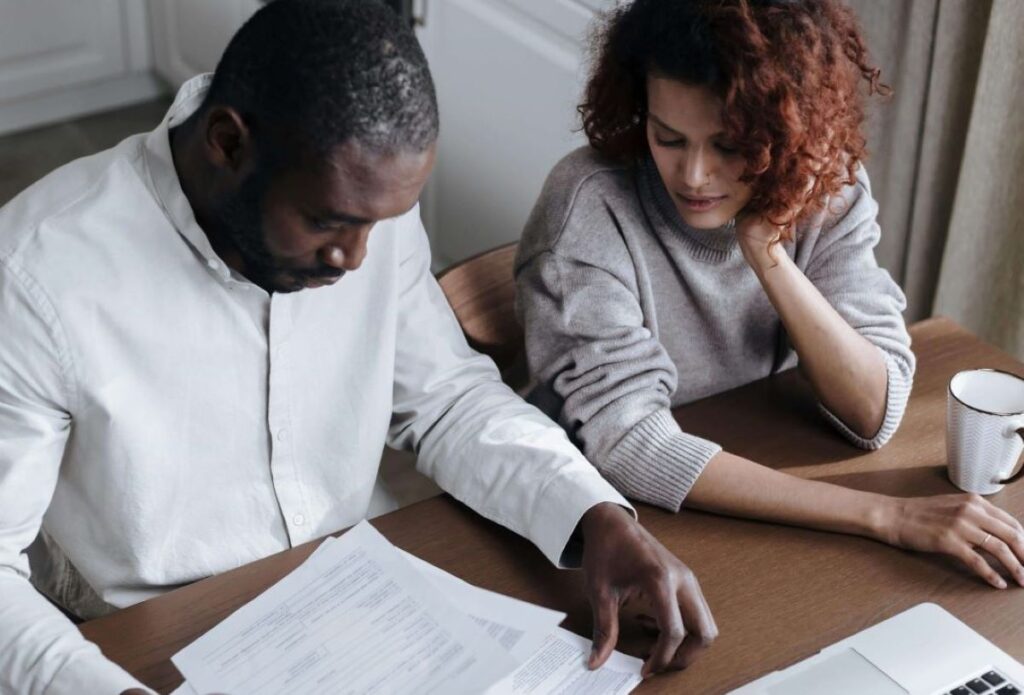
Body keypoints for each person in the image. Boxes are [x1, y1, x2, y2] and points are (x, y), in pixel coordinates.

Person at [0, 2, 717, 692]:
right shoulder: (37, 275)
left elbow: (447, 401)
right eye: (328, 223)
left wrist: (594, 516)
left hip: (357, 606)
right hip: (145, 640)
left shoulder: (360, 204)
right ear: (227, 143)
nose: (354, 258)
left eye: (380, 225)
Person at [516, 0, 1024, 594]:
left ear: (786, 129)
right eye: (668, 137)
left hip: (756, 489)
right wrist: (884, 515)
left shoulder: (822, 181)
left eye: (729, 146)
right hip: (607, 527)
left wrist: (767, 253)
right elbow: (630, 443)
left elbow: (874, 410)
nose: (694, 176)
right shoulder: (589, 208)